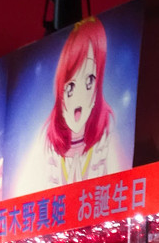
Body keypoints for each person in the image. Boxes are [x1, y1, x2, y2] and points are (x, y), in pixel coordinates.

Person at [41, 18, 114, 185]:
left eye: (89, 81)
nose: (79, 98)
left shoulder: (103, 140)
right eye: (70, 87)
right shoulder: (52, 146)